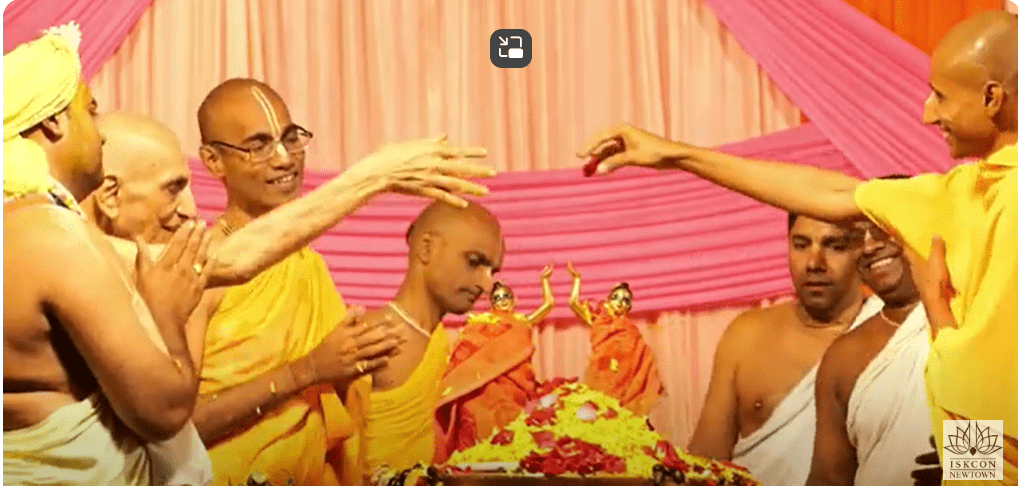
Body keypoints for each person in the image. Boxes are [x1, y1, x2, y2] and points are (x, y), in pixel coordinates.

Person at [579, 12, 1018, 481]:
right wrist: (679, 155)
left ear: (991, 97)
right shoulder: (962, 192)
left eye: (941, 96)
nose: (928, 113)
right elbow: (829, 194)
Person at [178, 78, 493, 486]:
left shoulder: (309, 268)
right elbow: (175, 430)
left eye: (290, 139)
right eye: (258, 145)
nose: (283, 159)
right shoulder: (201, 271)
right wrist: (306, 370)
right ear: (213, 160)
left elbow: (331, 411)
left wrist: (350, 368)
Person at [4, 23, 210, 485]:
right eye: (91, 113)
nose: (101, 136)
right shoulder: (50, 233)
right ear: (55, 119)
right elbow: (163, 411)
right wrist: (169, 319)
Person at [686, 214, 881, 486]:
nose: (814, 263)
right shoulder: (747, 334)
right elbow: (703, 462)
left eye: (835, 246)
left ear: (865, 250)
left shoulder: (900, 330)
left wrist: (962, 474)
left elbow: (960, 415)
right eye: (801, 245)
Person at [359, 200, 504, 476]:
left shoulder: (440, 340)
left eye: (492, 272)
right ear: (427, 248)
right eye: (474, 262)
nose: (486, 285)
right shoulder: (373, 335)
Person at [806, 197, 937, 486]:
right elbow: (829, 477)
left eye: (883, 230)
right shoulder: (844, 356)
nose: (868, 247)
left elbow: (983, 409)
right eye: (856, 239)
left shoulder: (971, 319)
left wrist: (965, 470)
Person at [434, 265, 555, 461]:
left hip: (517, 385)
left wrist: (544, 281)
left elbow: (548, 305)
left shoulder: (522, 320)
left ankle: (509, 458)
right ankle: (478, 458)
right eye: (496, 298)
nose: (502, 301)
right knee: (476, 406)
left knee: (512, 417)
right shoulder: (482, 321)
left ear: (514, 300)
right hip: (486, 383)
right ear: (491, 303)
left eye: (506, 296)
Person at [564, 263, 664, 417]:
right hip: (602, 372)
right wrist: (576, 280)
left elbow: (639, 359)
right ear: (608, 300)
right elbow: (573, 303)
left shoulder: (631, 330)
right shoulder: (597, 319)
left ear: (629, 307)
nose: (620, 302)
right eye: (615, 297)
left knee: (621, 417)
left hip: (625, 380)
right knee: (600, 414)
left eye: (625, 300)